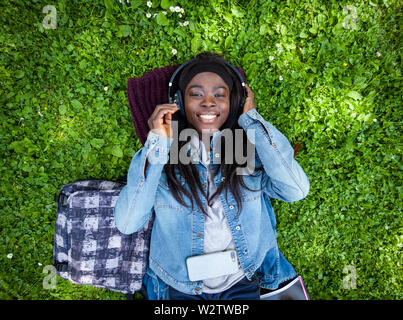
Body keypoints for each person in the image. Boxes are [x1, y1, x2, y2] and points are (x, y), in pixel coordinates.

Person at [114, 52, 310, 300]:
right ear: (178, 102)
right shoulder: (166, 156)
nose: (208, 102)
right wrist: (156, 144)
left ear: (236, 103)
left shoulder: (242, 149)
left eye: (220, 95)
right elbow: (128, 222)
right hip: (179, 285)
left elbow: (296, 190)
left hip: (242, 279)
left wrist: (252, 122)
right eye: (196, 94)